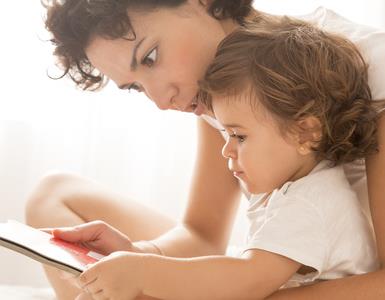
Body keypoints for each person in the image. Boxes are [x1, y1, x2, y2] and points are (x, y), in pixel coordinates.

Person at [26, 0, 385, 299]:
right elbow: (202, 235)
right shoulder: (219, 90)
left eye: (150, 57)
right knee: (54, 195)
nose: (161, 101)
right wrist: (139, 256)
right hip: (281, 263)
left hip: (342, 279)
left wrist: (235, 290)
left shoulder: (369, 65)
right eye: (136, 87)